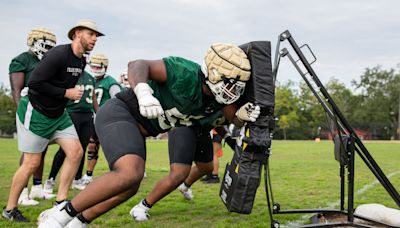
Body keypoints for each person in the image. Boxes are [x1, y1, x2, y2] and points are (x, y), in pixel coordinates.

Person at [38, 43, 260, 227]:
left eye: (238, 86)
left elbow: (235, 119)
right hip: (122, 112)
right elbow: (138, 64)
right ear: (213, 72)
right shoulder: (185, 72)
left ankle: (79, 222)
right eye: (231, 83)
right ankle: (60, 214)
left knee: (130, 185)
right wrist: (143, 91)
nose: (234, 91)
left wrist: (244, 115)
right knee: (129, 174)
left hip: (139, 129)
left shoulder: (217, 99)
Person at [2, 19, 103, 223]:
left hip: (58, 114)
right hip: (36, 112)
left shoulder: (81, 60)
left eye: (96, 36)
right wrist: (67, 92)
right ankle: (10, 209)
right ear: (76, 34)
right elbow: (35, 84)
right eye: (90, 34)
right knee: (31, 163)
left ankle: (61, 202)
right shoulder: (58, 55)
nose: (94, 39)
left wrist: (67, 95)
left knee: (76, 153)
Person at [7, 27, 57, 207]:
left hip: (43, 111)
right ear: (34, 42)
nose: (49, 50)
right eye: (46, 46)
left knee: (41, 150)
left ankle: (37, 187)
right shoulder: (22, 60)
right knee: (29, 153)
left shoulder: (46, 61)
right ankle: (22, 193)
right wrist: (22, 115)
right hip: (28, 111)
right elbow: (16, 90)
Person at [44, 69, 98, 192]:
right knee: (64, 149)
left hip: (87, 115)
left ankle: (77, 179)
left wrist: (98, 113)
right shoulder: (69, 75)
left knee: (82, 149)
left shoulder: (90, 77)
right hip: (71, 113)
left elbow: (93, 97)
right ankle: (51, 179)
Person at [79, 53, 122, 188]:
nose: (95, 69)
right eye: (93, 66)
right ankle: (87, 175)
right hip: (89, 119)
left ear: (105, 67)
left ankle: (117, 172)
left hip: (105, 120)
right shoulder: (87, 79)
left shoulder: (111, 82)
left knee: (112, 147)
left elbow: (117, 100)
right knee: (91, 147)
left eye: (99, 67)